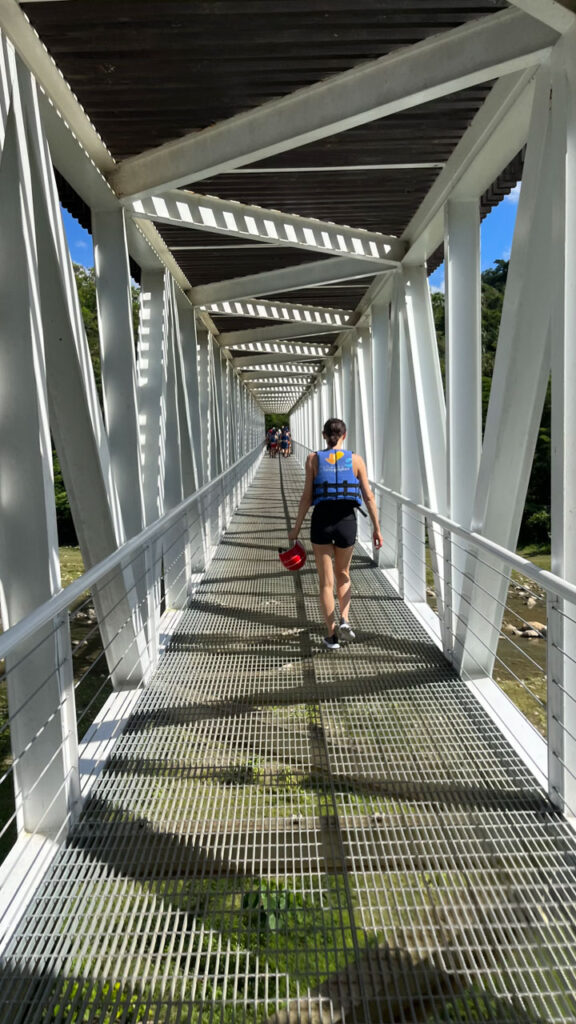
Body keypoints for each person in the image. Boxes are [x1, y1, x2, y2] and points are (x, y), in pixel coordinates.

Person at [288, 417, 383, 650]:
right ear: (345, 435)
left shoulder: (313, 459)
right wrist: (377, 528)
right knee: (344, 574)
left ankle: (331, 637)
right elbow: (368, 497)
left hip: (321, 522)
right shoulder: (356, 460)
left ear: (323, 436)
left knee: (325, 583)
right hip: (346, 522)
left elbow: (306, 497)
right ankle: (345, 620)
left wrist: (296, 528)